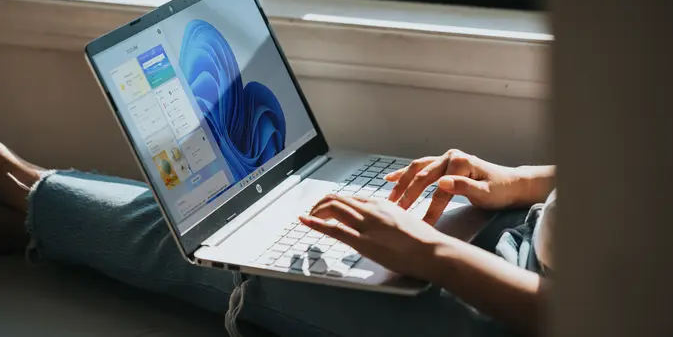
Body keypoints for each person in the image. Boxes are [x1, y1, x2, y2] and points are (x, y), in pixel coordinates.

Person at [0, 143, 555, 337]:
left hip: (507, 310)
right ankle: (30, 196)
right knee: (249, 214)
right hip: (520, 230)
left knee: (214, 244)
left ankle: (22, 191)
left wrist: (434, 253)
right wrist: (524, 181)